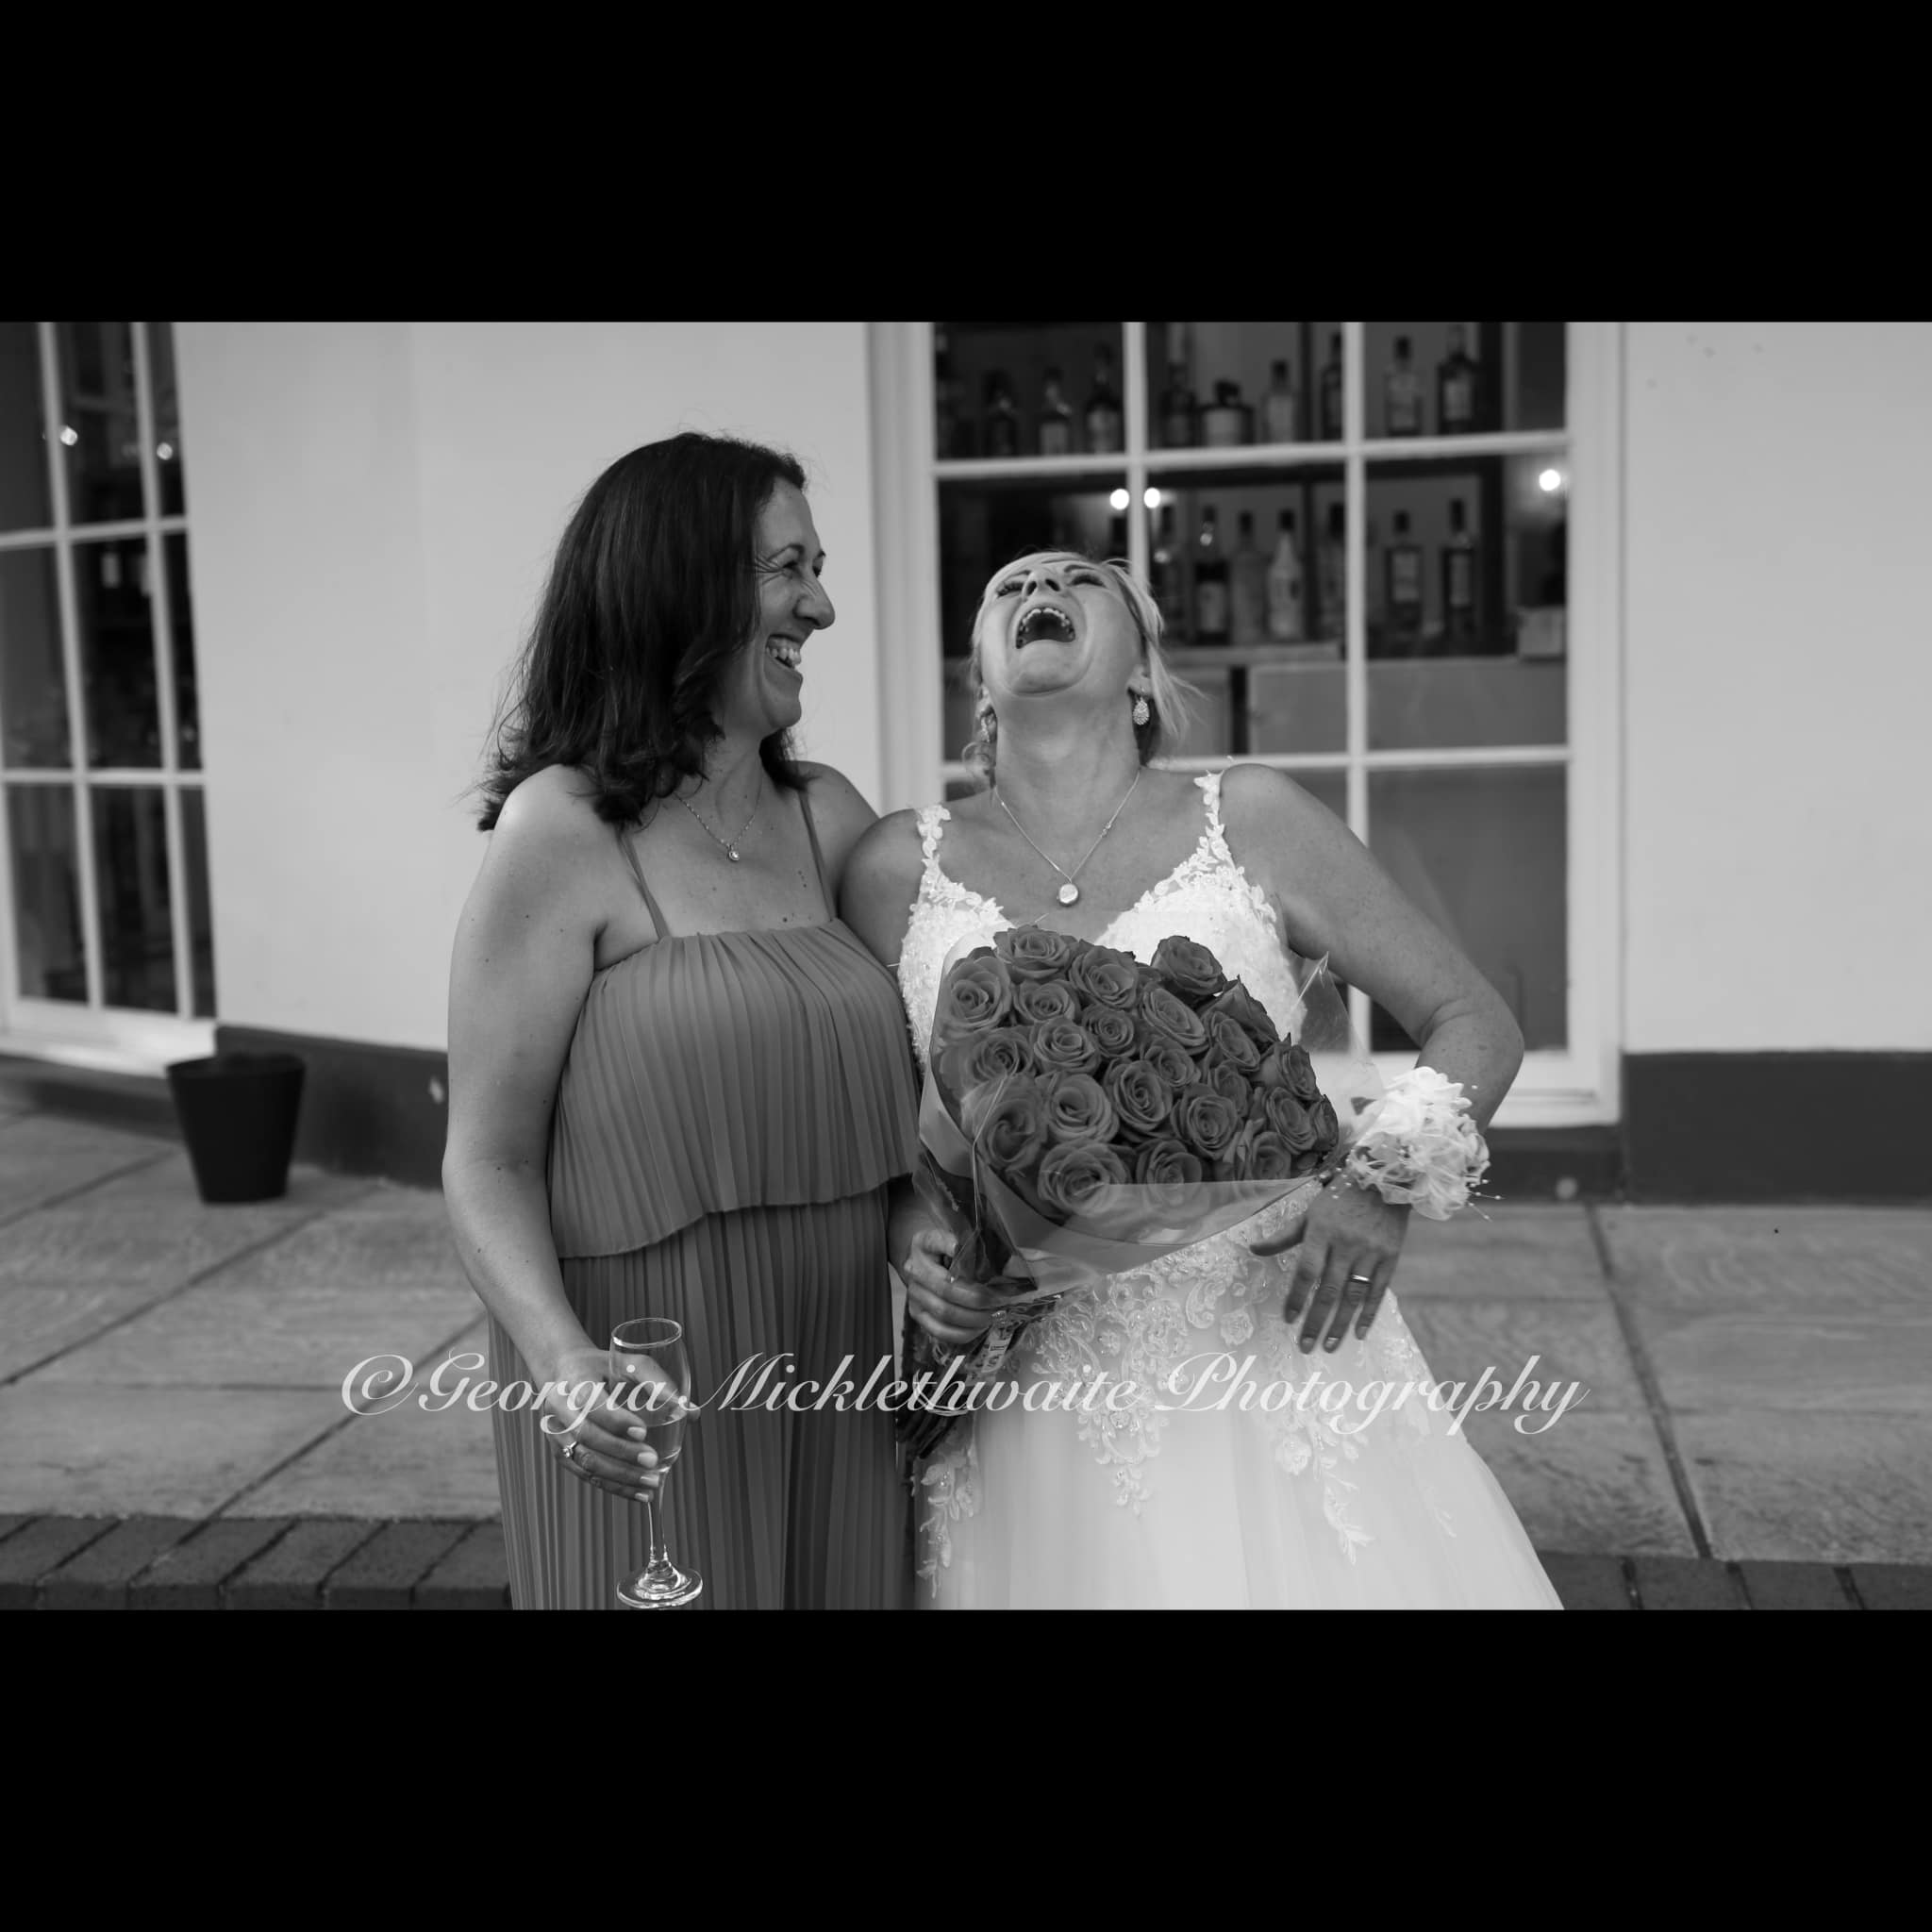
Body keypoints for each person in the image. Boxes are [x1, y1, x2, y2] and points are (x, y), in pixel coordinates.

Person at [841, 548, 1563, 1609]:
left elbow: (1474, 1022)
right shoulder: (894, 866)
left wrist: (1378, 1183)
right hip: (1030, 1384)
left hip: (1263, 1347)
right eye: (1007, 587)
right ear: (980, 683)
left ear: (1142, 671)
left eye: (1078, 579)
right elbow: (885, 1144)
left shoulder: (1251, 817)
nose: (1037, 589)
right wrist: (921, 1251)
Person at [444, 431, 941, 1609]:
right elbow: (488, 1158)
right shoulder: (560, 829)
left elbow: (903, 1133)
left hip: (834, 1366)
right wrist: (560, 1362)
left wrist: (925, 1245)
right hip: (638, 1387)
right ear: (679, 584)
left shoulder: (831, 819)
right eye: (787, 568)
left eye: (817, 570)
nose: (820, 606)